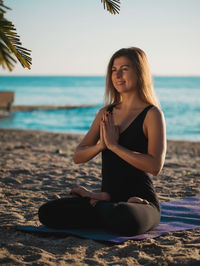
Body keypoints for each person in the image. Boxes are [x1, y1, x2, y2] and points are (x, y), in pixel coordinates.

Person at [38, 47, 166, 236]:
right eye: (114, 70)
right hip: (110, 199)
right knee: (47, 213)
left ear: (140, 72)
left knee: (125, 217)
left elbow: (155, 166)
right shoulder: (105, 113)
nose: (118, 75)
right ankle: (103, 201)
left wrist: (115, 146)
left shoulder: (152, 114)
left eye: (125, 68)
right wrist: (101, 146)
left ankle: (98, 202)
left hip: (142, 201)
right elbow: (78, 156)